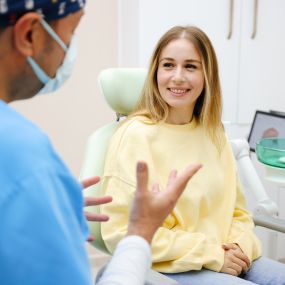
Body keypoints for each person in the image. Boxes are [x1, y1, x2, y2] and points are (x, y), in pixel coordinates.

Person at [0, 2, 202, 285]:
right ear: (29, 34)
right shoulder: (23, 158)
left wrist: (45, 206)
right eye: (72, 30)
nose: (69, 49)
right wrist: (141, 232)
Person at [100, 26, 285, 285]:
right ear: (155, 72)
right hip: (174, 265)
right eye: (168, 65)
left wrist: (240, 246)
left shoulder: (213, 132)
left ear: (207, 75)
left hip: (228, 254)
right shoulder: (135, 135)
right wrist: (212, 254)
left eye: (190, 66)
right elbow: (120, 231)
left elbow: (238, 212)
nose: (178, 77)